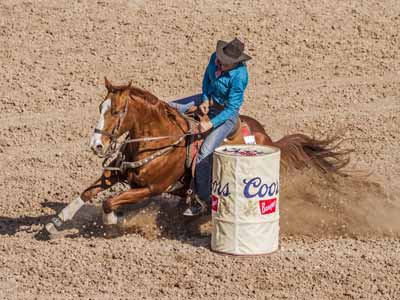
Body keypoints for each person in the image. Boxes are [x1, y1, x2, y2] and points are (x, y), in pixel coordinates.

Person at [170, 38, 251, 216]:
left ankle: (202, 200)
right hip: (210, 100)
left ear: (236, 63)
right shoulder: (215, 58)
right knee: (169, 107)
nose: (221, 63)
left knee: (204, 154)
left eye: (226, 63)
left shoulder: (240, 77)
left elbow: (232, 108)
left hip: (226, 115)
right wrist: (205, 99)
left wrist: (210, 123)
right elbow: (207, 79)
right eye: (221, 60)